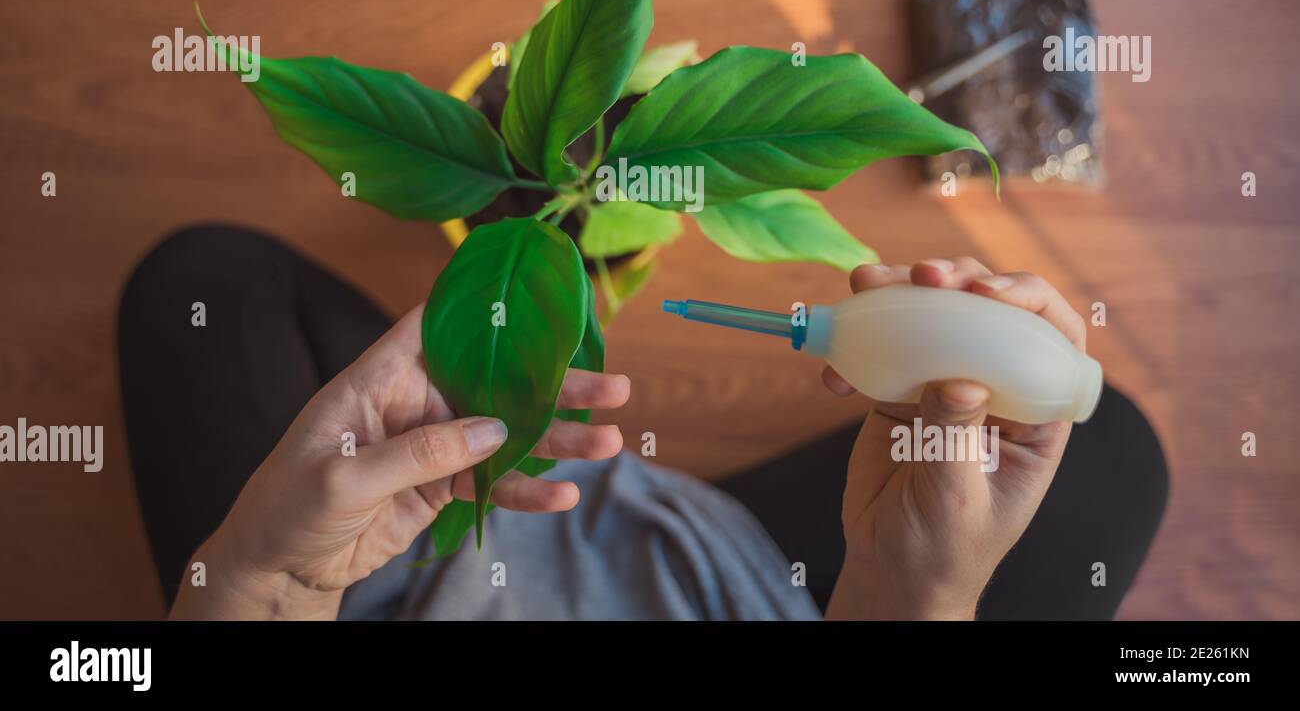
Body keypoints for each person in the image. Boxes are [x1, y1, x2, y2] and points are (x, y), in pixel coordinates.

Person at [119, 226, 1167, 620]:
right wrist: (908, 595)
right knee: (1103, 450)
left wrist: (272, 581)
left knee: (205, 285)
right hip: (743, 594)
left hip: (404, 577)